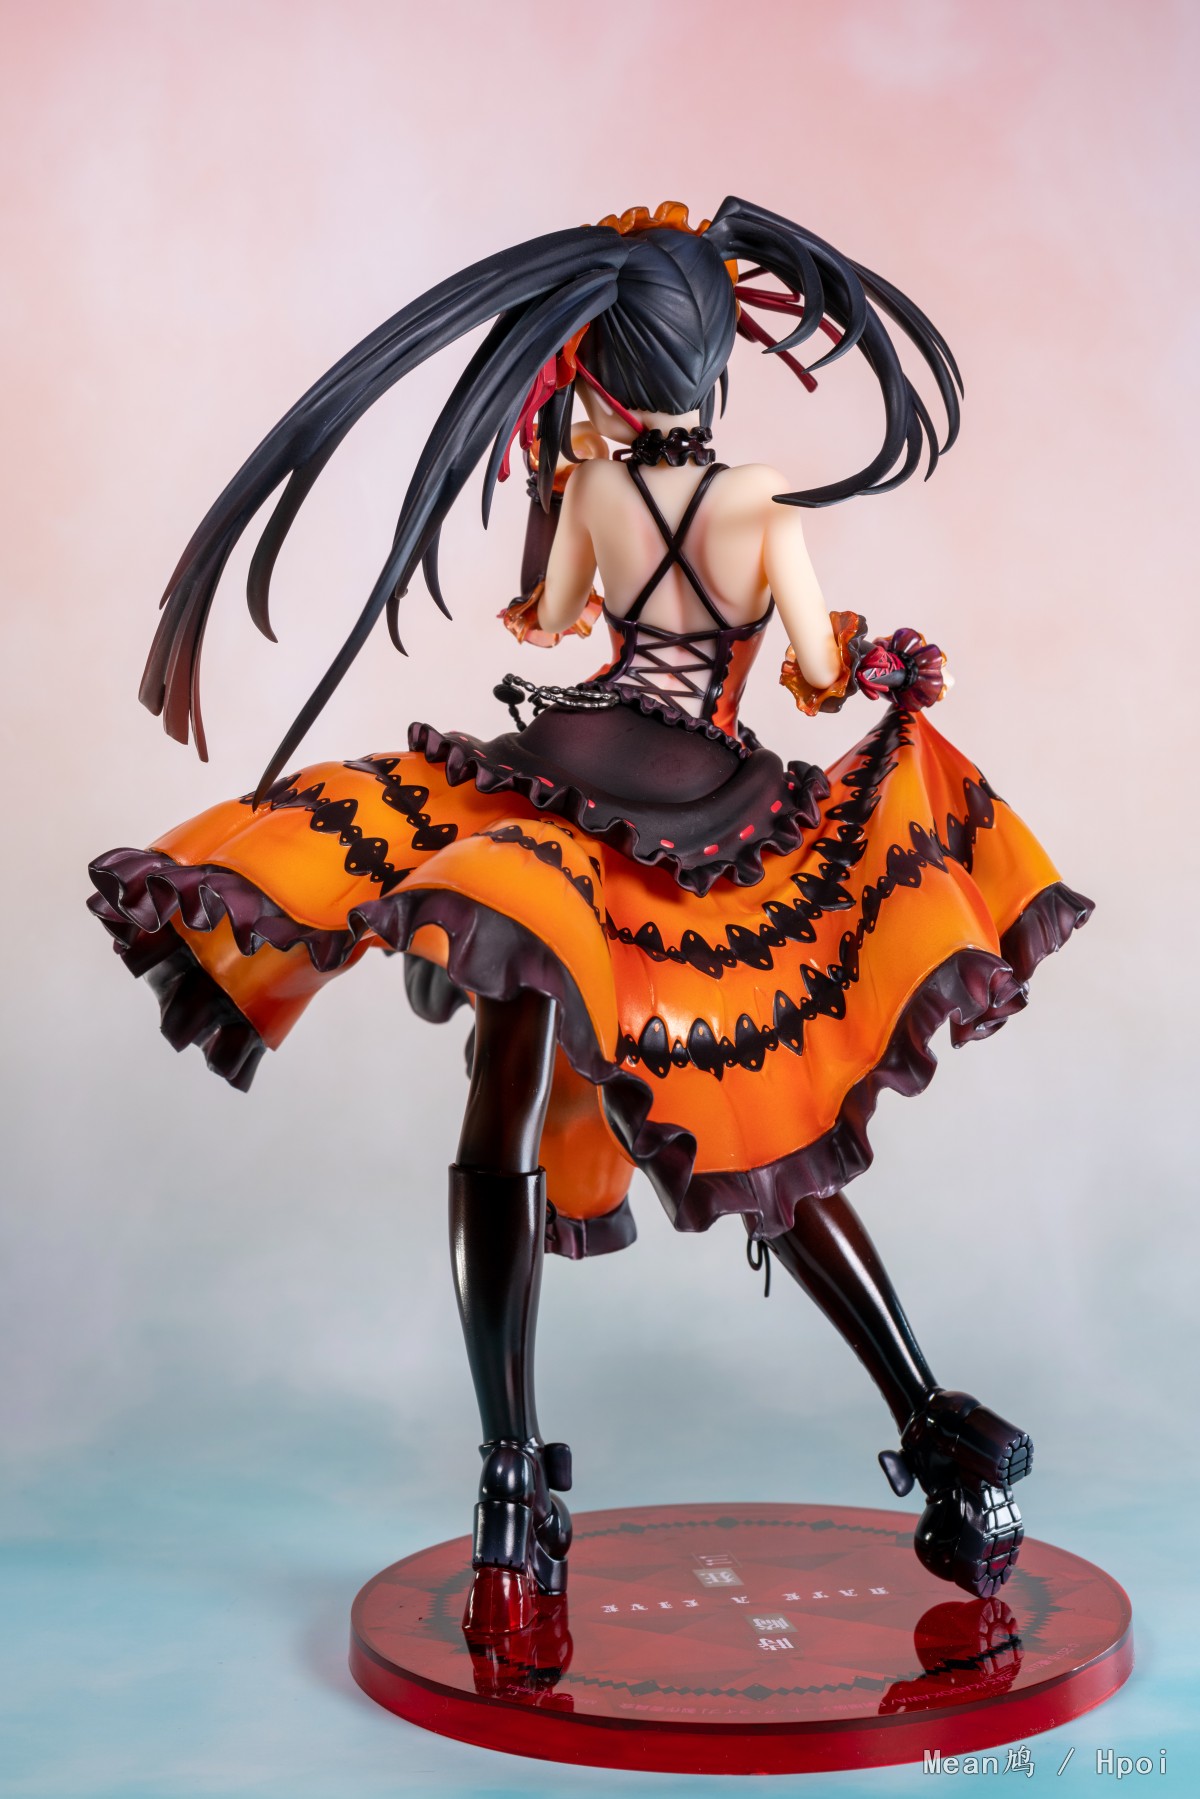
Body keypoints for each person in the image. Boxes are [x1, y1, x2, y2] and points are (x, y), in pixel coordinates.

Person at [87, 197, 1091, 1640]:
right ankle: (934, 1425)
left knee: (502, 1091)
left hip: (554, 794)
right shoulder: (759, 502)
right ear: (715, 362)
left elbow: (553, 619)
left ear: (608, 376)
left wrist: (572, 515)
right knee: (750, 1112)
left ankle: (511, 1476)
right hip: (698, 807)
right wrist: (871, 666)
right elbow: (813, 672)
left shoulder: (596, 495)